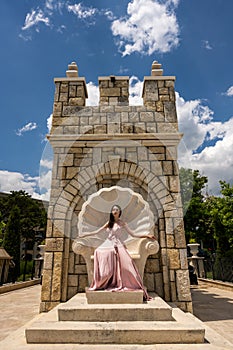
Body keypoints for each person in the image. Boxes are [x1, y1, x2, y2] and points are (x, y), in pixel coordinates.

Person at [81, 204, 155, 301]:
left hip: (118, 244)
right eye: (113, 210)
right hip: (108, 243)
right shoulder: (109, 223)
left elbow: (133, 234)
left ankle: (129, 282)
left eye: (117, 210)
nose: (115, 211)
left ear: (119, 212)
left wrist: (146, 236)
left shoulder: (122, 223)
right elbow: (97, 232)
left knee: (127, 263)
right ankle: (103, 279)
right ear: (111, 212)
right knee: (100, 251)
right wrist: (84, 235)